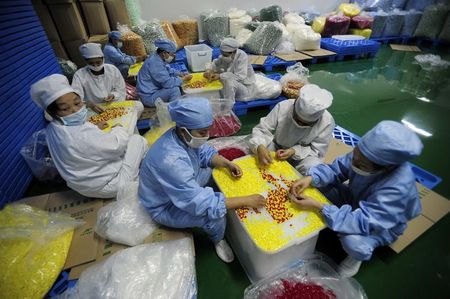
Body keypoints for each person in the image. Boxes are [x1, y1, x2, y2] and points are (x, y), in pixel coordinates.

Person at [138, 97, 266, 262]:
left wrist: (226, 163)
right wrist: (245, 200)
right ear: (184, 130)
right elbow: (198, 202)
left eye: (207, 130)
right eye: (202, 133)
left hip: (183, 184)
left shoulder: (183, 136)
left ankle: (221, 201)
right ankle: (218, 239)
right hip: (166, 205)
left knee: (215, 172)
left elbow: (204, 152)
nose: (206, 136)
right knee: (212, 215)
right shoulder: (171, 161)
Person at [289, 120, 423, 277]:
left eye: (361, 165)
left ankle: (357, 257)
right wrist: (311, 178)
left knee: (354, 243)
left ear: (387, 168)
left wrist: (320, 207)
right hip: (355, 199)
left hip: (378, 225)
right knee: (317, 183)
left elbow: (363, 221)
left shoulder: (398, 190)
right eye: (355, 157)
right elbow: (337, 169)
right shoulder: (364, 155)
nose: (354, 163)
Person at [30, 74, 148, 198]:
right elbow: (117, 145)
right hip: (110, 185)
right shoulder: (81, 135)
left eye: (77, 103)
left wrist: (94, 127)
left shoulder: (52, 128)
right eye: (65, 109)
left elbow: (81, 137)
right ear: (52, 113)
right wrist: (117, 128)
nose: (76, 110)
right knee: (137, 140)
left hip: (83, 187)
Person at [249, 84, 334, 174]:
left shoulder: (327, 122)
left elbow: (317, 151)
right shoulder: (284, 106)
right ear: (294, 107)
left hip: (303, 156)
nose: (299, 124)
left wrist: (294, 151)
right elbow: (263, 128)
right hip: (277, 147)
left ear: (317, 119)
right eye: (297, 119)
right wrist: (260, 146)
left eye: (305, 124)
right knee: (259, 150)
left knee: (313, 166)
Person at [136, 39, 192, 107]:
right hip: (149, 96)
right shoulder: (155, 63)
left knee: (175, 81)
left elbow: (166, 69)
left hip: (152, 90)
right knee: (175, 90)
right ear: (164, 53)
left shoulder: (157, 56)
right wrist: (183, 79)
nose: (174, 56)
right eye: (172, 54)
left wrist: (179, 73)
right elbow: (168, 83)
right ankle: (174, 111)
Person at [72, 43, 126, 108]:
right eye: (91, 63)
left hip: (113, 104)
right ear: (86, 62)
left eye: (98, 62)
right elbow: (76, 97)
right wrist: (86, 104)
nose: (95, 66)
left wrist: (113, 95)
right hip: (94, 108)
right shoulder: (79, 75)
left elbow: (120, 89)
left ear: (103, 59)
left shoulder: (112, 70)